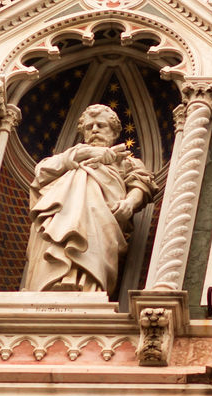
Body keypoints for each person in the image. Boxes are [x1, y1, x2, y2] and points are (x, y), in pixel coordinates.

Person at [24, 104, 153, 293]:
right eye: (89, 127)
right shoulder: (69, 157)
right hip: (62, 215)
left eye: (101, 125)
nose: (94, 130)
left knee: (93, 251)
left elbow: (142, 184)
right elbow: (41, 173)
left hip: (101, 219)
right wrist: (88, 153)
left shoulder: (126, 161)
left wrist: (129, 203)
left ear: (114, 132)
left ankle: (87, 287)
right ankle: (50, 282)